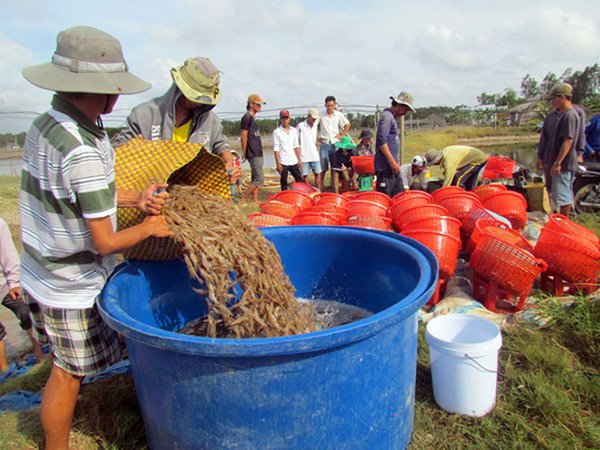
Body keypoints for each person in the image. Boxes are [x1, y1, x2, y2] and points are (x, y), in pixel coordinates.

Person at [20, 25, 172, 449]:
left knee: (73, 361)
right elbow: (105, 242)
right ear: (102, 90)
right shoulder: (82, 149)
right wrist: (150, 227)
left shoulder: (49, 123)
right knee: (68, 373)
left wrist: (135, 199)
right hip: (67, 279)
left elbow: (83, 194)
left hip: (41, 262)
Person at [113, 56, 240, 184]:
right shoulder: (145, 115)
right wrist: (133, 150)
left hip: (194, 193)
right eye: (196, 97)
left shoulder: (210, 120)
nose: (200, 103)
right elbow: (119, 151)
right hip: (152, 193)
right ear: (180, 88)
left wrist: (229, 161)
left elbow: (220, 146)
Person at [0, 217, 44, 372]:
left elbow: (9, 255)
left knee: (26, 311)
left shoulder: (0, 224)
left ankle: (40, 354)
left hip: (3, 284)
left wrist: (14, 283)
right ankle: (4, 370)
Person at [536, 82, 581, 216]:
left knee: (563, 195)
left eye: (554, 98)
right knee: (552, 192)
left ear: (562, 97)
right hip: (549, 161)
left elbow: (567, 141)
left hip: (563, 164)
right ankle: (554, 217)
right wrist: (540, 157)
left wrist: (558, 162)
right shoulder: (552, 116)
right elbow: (544, 138)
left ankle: (564, 222)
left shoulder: (570, 116)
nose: (552, 102)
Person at [374, 92, 415, 197]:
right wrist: (392, 162)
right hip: (385, 167)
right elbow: (382, 141)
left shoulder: (392, 118)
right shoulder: (387, 117)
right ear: (398, 105)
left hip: (392, 167)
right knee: (386, 197)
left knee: (398, 195)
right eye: (405, 110)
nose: (405, 113)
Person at [319, 96, 351, 189]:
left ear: (334, 105)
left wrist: (342, 135)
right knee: (323, 167)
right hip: (325, 143)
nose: (330, 107)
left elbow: (347, 124)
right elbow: (313, 125)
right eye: (328, 105)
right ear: (325, 105)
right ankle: (321, 188)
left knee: (335, 167)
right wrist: (316, 138)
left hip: (335, 143)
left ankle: (333, 187)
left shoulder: (338, 115)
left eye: (332, 105)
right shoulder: (321, 115)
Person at [240, 94, 266, 203]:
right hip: (253, 152)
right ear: (251, 104)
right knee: (260, 179)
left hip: (258, 152)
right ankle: (244, 199)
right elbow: (243, 136)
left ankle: (255, 200)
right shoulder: (247, 117)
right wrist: (245, 152)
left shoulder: (252, 118)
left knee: (255, 177)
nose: (260, 106)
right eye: (258, 104)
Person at [273, 109, 303, 191]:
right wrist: (278, 163)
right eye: (283, 118)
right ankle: (284, 196)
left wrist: (299, 159)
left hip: (293, 159)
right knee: (284, 181)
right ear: (280, 119)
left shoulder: (294, 131)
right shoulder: (277, 132)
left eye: (286, 118)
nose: (285, 120)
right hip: (283, 160)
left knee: (299, 179)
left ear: (289, 118)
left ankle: (301, 194)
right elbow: (276, 148)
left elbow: (296, 146)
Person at [297, 108, 322, 190]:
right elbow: (296, 142)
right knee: (305, 175)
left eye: (315, 118)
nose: (314, 120)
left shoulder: (315, 125)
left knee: (318, 174)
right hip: (304, 156)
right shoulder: (300, 126)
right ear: (308, 116)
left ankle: (319, 192)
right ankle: (308, 191)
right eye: (313, 118)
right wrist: (298, 158)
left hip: (314, 155)